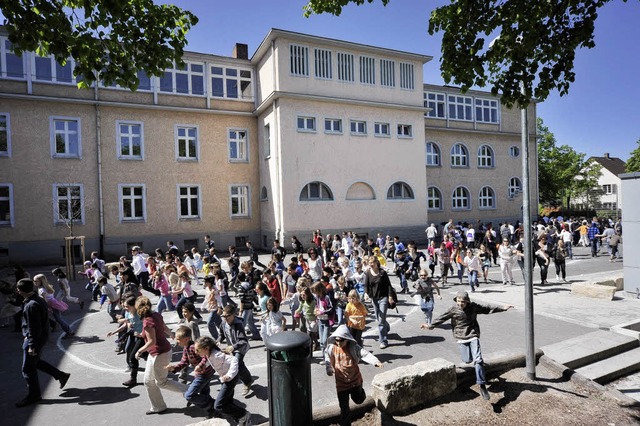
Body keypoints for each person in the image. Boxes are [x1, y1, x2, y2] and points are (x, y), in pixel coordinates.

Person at [422, 291, 514, 400]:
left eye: (463, 302)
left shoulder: (473, 307)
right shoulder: (453, 309)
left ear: (467, 301)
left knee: (478, 359)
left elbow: (487, 308)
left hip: (473, 334)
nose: (461, 304)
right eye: (459, 301)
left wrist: (503, 307)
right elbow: (442, 318)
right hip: (461, 337)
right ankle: (479, 367)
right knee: (467, 360)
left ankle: (482, 384)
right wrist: (430, 326)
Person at [15, 279, 71, 407]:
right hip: (37, 338)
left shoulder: (31, 305)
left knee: (28, 369)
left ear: (22, 290)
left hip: (33, 340)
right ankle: (60, 375)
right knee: (35, 362)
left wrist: (32, 345)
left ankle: (34, 395)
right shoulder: (36, 299)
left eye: (18, 289)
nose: (17, 291)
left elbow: (34, 328)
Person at [324, 325, 383, 426]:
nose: (338, 342)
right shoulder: (332, 348)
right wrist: (328, 368)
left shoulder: (353, 348)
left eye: (341, 340)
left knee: (359, 400)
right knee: (344, 408)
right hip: (341, 383)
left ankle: (361, 393)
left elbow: (364, 354)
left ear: (347, 339)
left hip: (355, 381)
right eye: (337, 340)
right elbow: (327, 358)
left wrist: (375, 361)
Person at [135, 296, 183, 415]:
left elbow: (152, 342)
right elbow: (164, 328)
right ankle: (158, 406)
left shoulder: (147, 321)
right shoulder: (156, 315)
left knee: (161, 382)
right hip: (157, 353)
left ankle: (190, 391)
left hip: (160, 354)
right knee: (148, 381)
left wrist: (140, 351)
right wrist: (171, 334)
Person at [194, 336, 252, 424]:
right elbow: (208, 360)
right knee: (227, 401)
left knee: (218, 405)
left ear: (206, 348)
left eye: (198, 350)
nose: (196, 352)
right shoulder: (209, 354)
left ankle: (243, 415)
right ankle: (239, 419)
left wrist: (229, 375)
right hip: (225, 378)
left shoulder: (217, 355)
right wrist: (201, 366)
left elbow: (234, 359)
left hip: (230, 379)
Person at [167, 326, 215, 417]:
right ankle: (212, 410)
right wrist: (174, 368)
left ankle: (213, 403)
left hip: (204, 374)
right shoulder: (186, 348)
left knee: (189, 395)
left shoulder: (194, 347)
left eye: (178, 339)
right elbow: (184, 362)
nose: (177, 341)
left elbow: (206, 357)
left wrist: (200, 366)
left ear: (187, 339)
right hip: (201, 374)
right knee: (204, 392)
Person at [107, 296, 144, 388]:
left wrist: (141, 334)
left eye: (127, 306)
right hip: (132, 334)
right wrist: (114, 332)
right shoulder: (128, 313)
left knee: (134, 356)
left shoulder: (140, 314)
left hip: (141, 336)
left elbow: (148, 326)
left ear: (134, 306)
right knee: (128, 350)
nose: (125, 309)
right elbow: (125, 325)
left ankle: (133, 379)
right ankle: (132, 366)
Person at [220, 305, 254, 397]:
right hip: (232, 347)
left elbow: (243, 340)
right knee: (239, 364)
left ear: (233, 315)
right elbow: (222, 334)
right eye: (224, 316)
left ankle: (247, 382)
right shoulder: (223, 323)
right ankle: (248, 379)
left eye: (228, 316)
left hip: (240, 348)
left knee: (237, 363)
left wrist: (233, 347)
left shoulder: (238, 325)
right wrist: (218, 340)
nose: (225, 318)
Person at [363, 257, 393, 349]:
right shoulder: (368, 273)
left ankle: (383, 340)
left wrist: (390, 296)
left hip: (383, 297)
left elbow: (388, 285)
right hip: (374, 298)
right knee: (378, 318)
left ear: (376, 263)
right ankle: (385, 324)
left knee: (380, 321)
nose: (371, 264)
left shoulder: (382, 273)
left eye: (372, 262)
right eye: (369, 262)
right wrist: (366, 294)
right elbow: (366, 285)